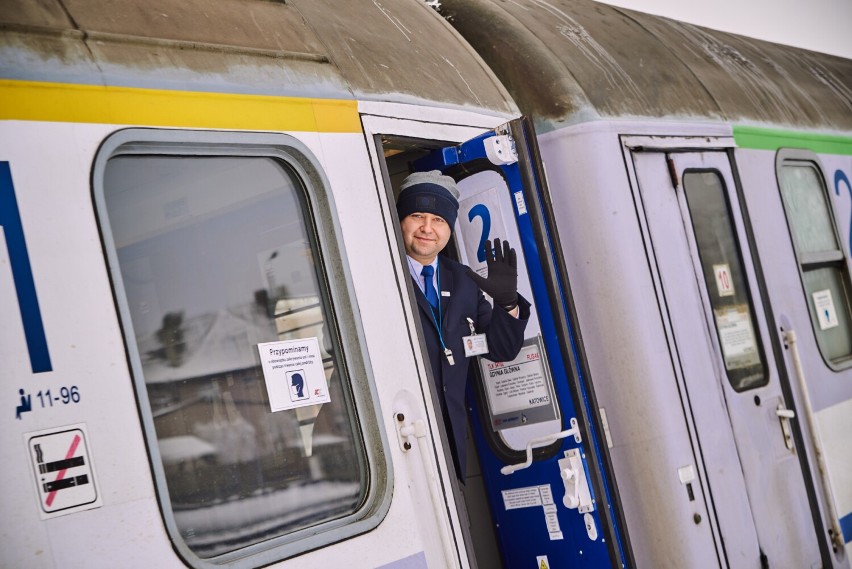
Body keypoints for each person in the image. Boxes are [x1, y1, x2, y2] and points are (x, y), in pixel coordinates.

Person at [397, 170, 530, 480]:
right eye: (417, 215)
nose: (427, 228)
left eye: (439, 220)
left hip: (448, 443)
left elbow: (499, 348)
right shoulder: (376, 270)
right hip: (399, 434)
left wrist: (507, 304)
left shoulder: (462, 280)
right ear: (400, 220)